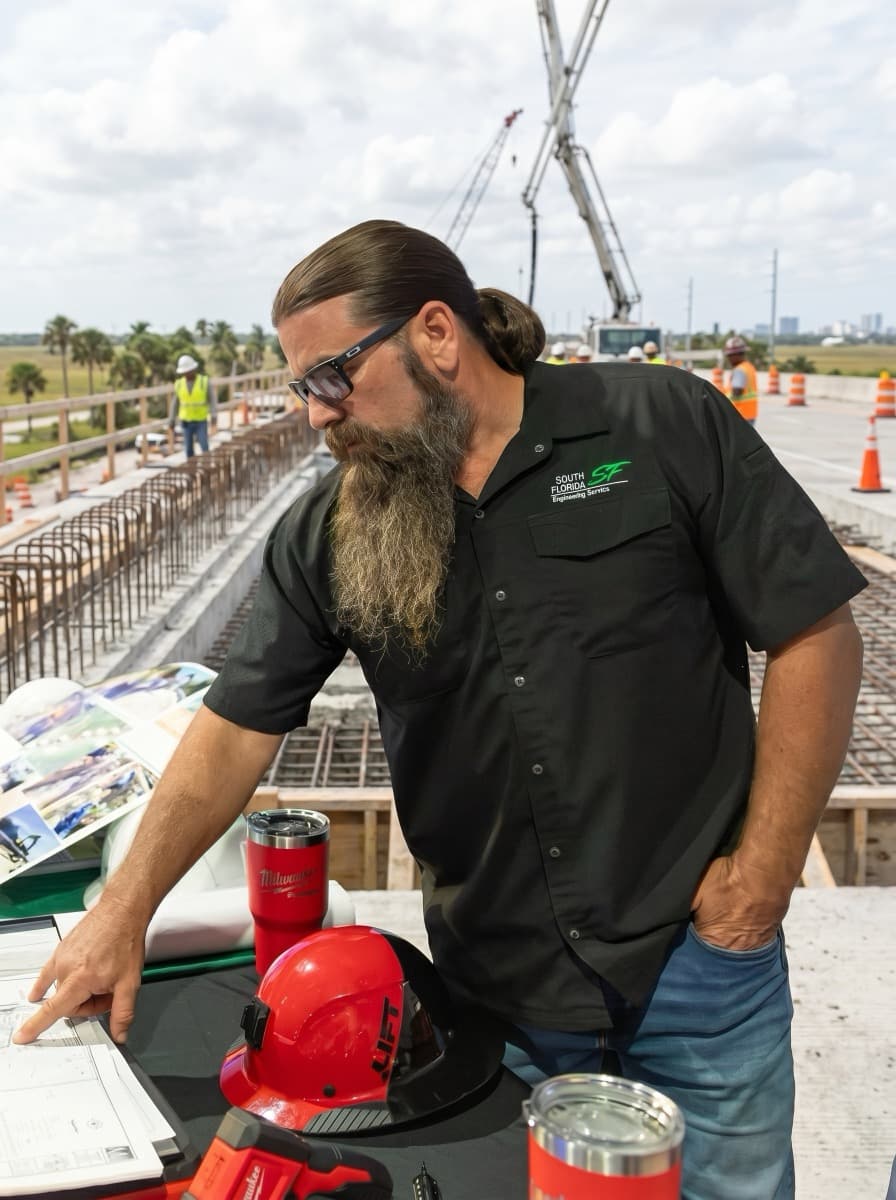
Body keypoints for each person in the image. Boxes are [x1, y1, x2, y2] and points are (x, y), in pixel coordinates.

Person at [16, 220, 866, 1200]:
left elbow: (813, 635)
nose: (314, 415)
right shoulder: (332, 530)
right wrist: (121, 910)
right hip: (493, 1003)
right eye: (301, 387)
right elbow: (235, 729)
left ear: (433, 333)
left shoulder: (659, 424)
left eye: (330, 376)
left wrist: (757, 878)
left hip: (697, 970)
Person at [169, 353, 216, 458]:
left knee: (204, 446)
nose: (186, 374)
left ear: (193, 369)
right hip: (185, 422)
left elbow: (212, 399)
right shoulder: (179, 384)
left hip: (200, 420)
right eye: (184, 372)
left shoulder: (204, 381)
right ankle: (192, 474)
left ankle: (206, 470)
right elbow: (174, 403)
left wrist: (214, 415)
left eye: (188, 371)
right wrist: (171, 419)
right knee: (188, 449)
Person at [723, 334, 759, 424]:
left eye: (730, 355)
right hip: (749, 414)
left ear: (737, 355)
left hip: (739, 414)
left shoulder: (739, 370)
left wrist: (721, 399)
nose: (728, 358)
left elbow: (737, 391)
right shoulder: (749, 367)